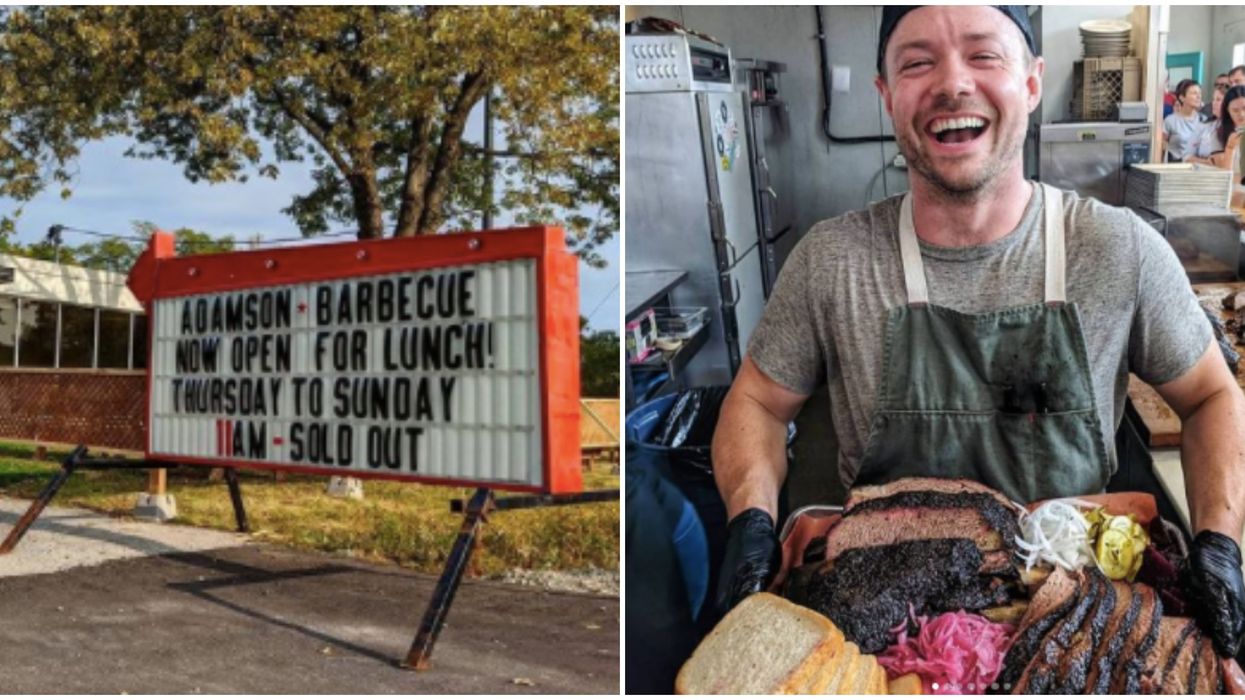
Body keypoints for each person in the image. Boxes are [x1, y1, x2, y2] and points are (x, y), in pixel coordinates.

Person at [710, 5, 1245, 660]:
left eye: (983, 55)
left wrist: (1218, 543)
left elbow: (1210, 396)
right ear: (885, 95)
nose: (951, 83)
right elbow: (757, 402)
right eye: (915, 62)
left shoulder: (1118, 250)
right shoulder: (832, 261)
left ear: (1030, 81)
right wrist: (750, 520)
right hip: (884, 629)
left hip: (1079, 621)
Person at [1204, 85, 1245, 208]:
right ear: (1227, 111)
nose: (1241, 115)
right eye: (1235, 110)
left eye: (1244, 108)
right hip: (1230, 198)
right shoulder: (1218, 134)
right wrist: (1230, 148)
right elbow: (1224, 176)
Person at [1162, 78, 1207, 162]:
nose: (1198, 96)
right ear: (1182, 97)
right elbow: (1161, 147)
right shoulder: (1170, 121)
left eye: (1199, 93)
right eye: (1194, 93)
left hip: (1198, 168)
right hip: (1176, 168)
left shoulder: (1204, 120)